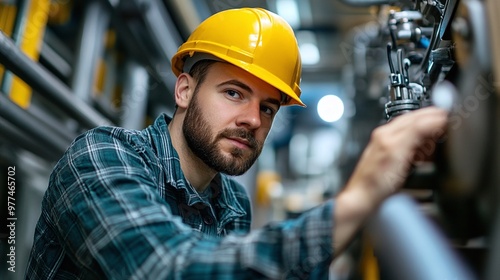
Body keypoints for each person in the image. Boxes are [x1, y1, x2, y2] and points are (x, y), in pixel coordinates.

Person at [25, 7, 448, 279]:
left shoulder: (231, 203)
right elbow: (164, 268)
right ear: (185, 91)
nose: (252, 119)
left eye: (268, 107)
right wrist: (355, 201)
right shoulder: (99, 157)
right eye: (233, 93)